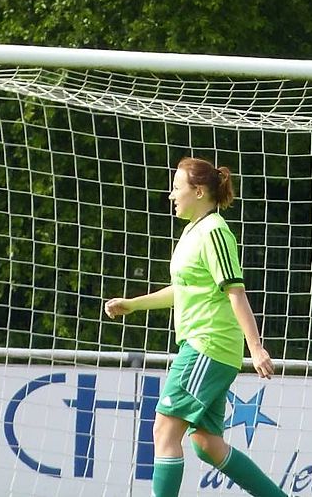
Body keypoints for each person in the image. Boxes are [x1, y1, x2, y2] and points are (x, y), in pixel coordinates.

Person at [104, 157, 286, 497]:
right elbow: (183, 290)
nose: (171, 195)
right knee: (207, 444)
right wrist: (133, 304)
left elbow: (235, 291)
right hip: (205, 347)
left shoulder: (215, 231)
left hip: (207, 346)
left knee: (164, 430)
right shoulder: (193, 231)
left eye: (177, 188)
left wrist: (256, 347)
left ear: (199, 191)